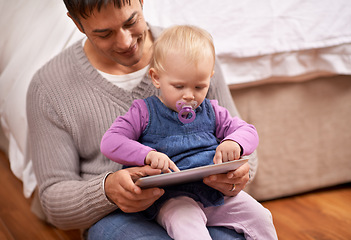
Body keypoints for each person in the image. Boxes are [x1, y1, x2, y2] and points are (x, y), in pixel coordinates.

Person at [27, 0, 259, 239]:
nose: (126, 42)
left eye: (131, 21)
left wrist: (236, 173)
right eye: (104, 33)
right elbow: (54, 202)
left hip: (206, 197)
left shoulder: (195, 53)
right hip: (119, 215)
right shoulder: (48, 87)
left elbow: (242, 145)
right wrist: (107, 191)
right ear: (77, 23)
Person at [100, 25, 277, 240]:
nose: (189, 96)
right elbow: (110, 142)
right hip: (172, 198)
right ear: (156, 78)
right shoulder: (144, 112)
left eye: (199, 87)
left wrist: (234, 143)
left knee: (260, 216)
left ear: (210, 79)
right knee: (188, 226)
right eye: (179, 86)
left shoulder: (212, 111)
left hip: (215, 194)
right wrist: (147, 155)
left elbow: (248, 131)